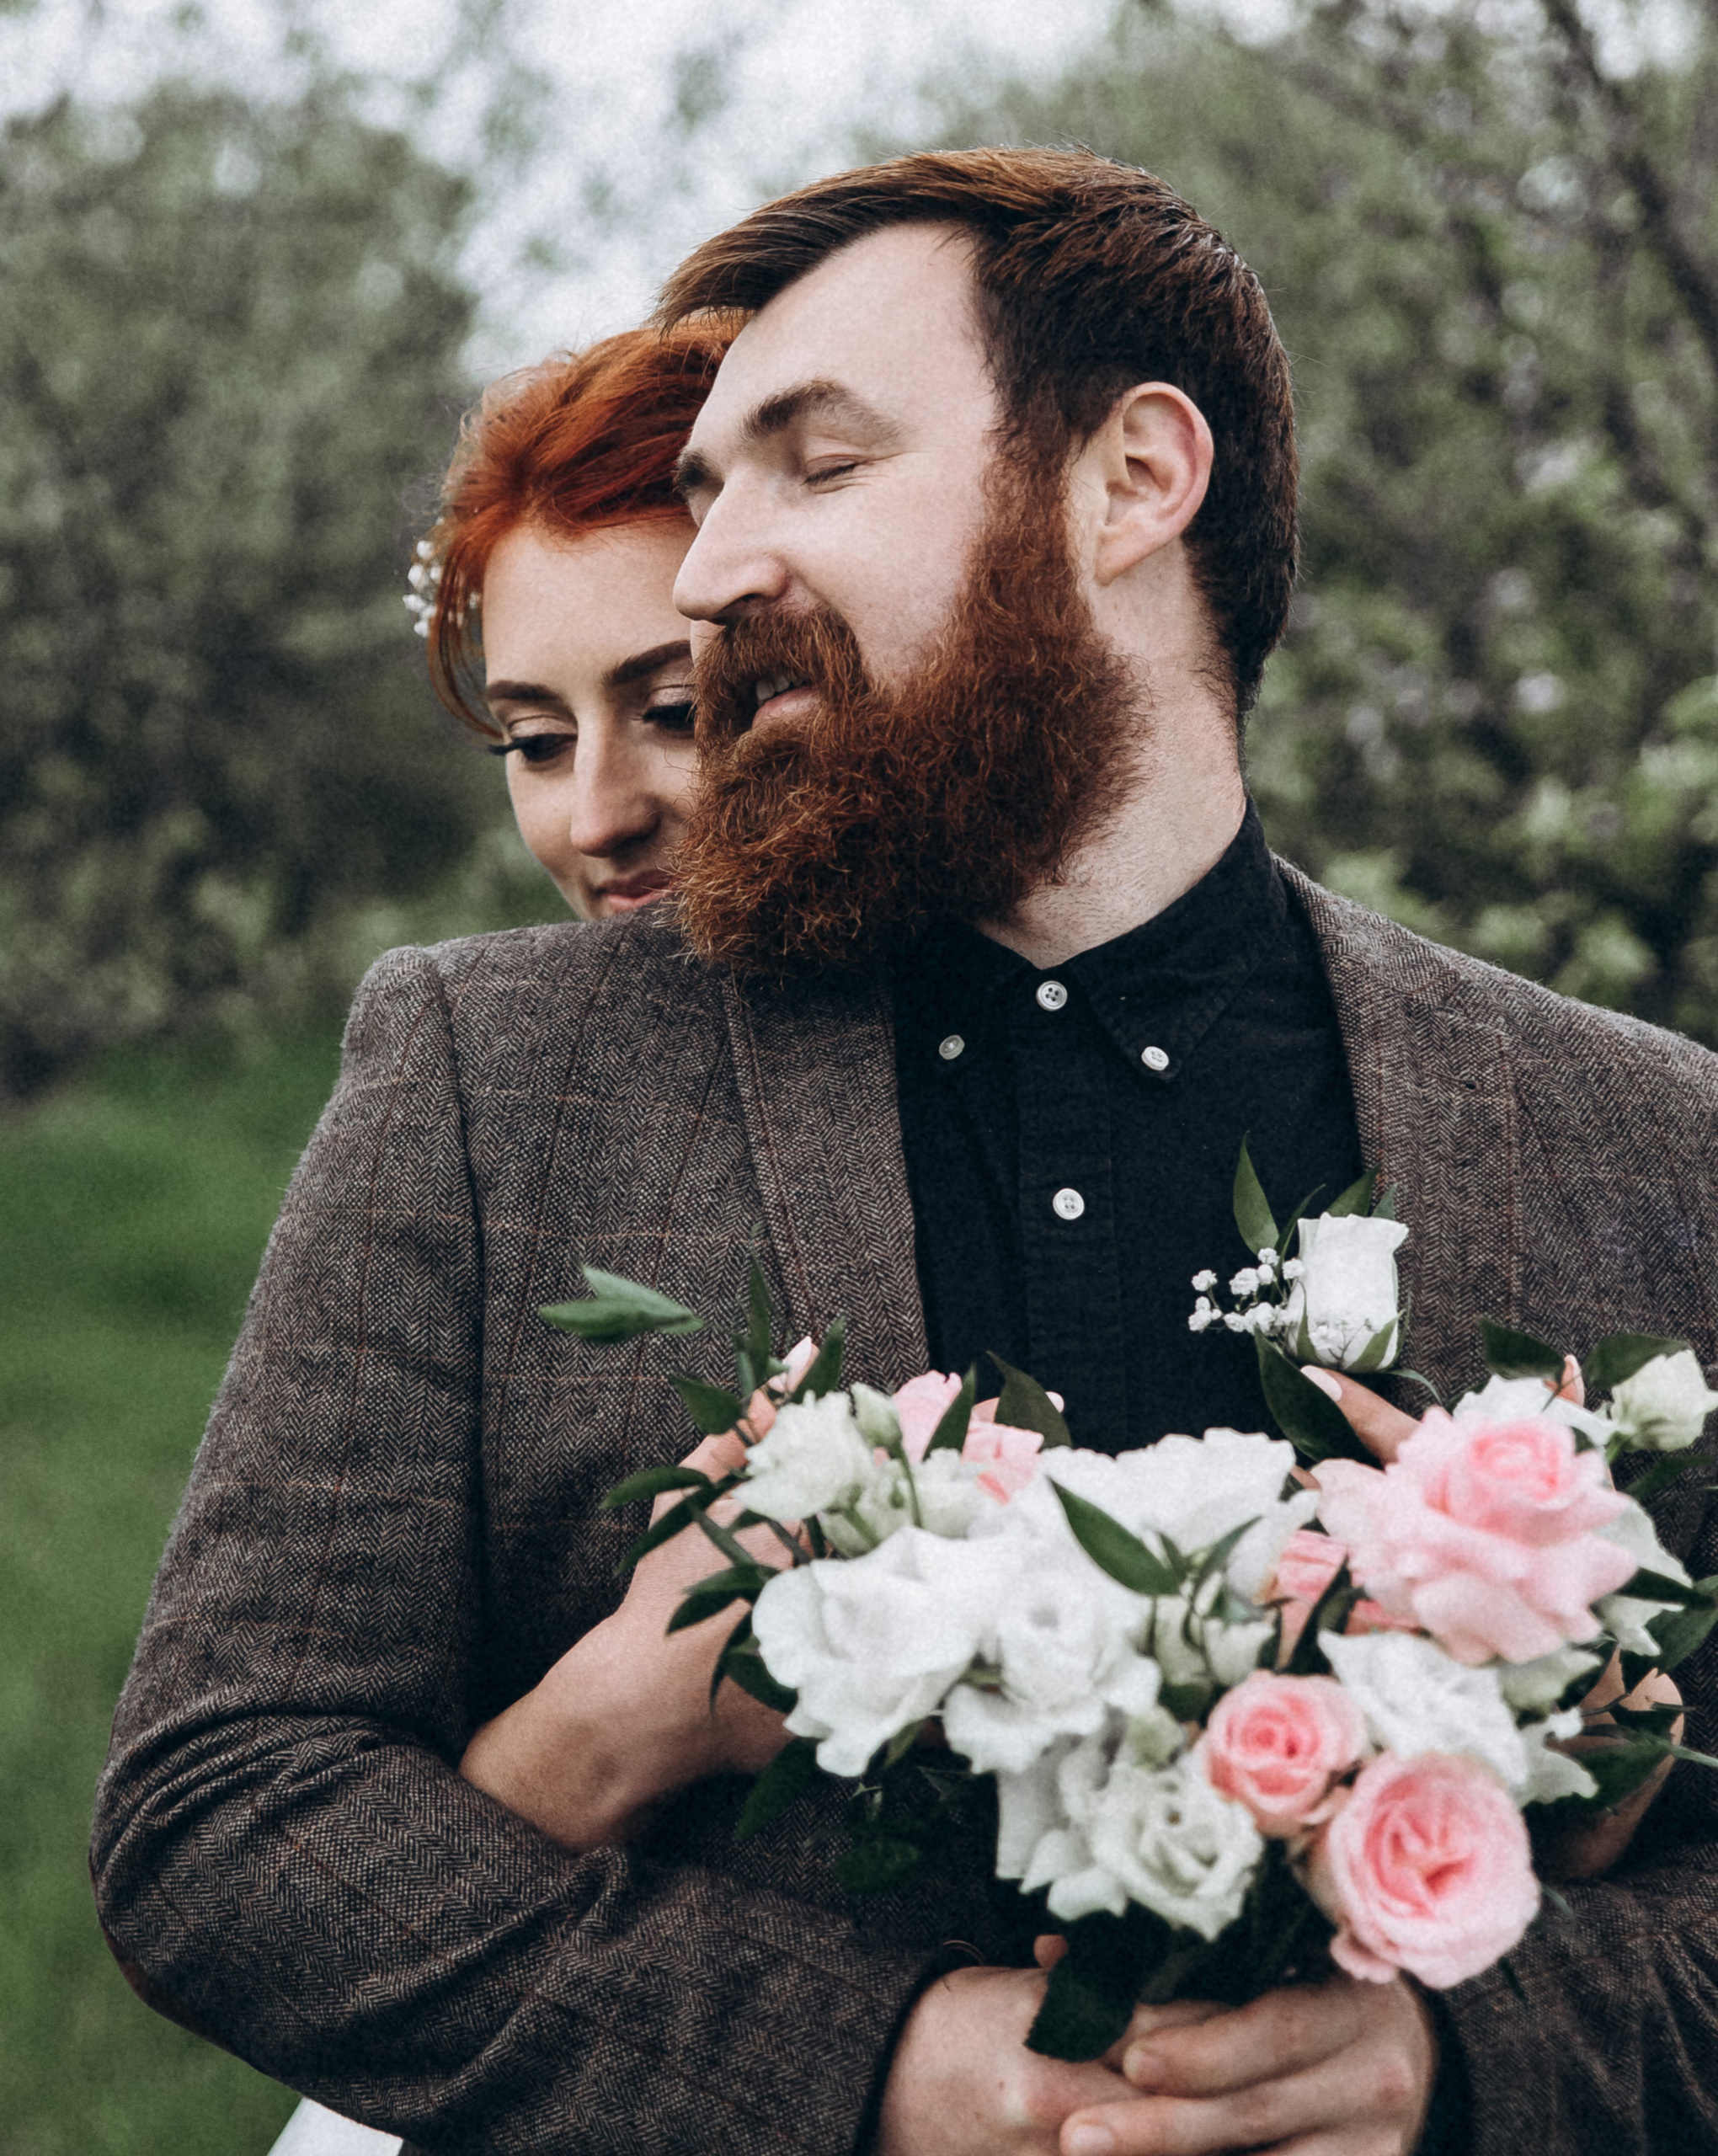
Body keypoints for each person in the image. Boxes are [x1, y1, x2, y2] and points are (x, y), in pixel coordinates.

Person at [95, 148, 1718, 2156]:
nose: (704, 578)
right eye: (703, 493)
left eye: (812, 464)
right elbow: (218, 1819)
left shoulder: (1643, 1133)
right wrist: (861, 2066)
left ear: (1129, 478)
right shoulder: (486, 1074)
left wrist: (1460, 2058)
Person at [263, 326, 724, 2156]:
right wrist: (624, 1714)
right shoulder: (473, 1076)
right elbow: (252, 1807)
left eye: (674, 704)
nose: (591, 812)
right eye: (534, 738)